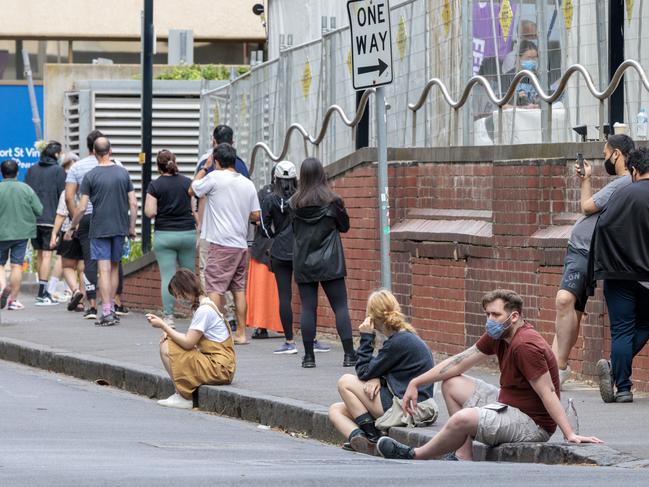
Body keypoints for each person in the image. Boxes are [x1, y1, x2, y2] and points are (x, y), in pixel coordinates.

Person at [376, 290, 603, 461]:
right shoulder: (499, 334)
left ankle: (414, 455)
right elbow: (460, 362)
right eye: (488, 314)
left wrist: (569, 434)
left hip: (531, 424)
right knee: (451, 383)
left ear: (513, 316)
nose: (490, 320)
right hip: (508, 404)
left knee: (461, 419)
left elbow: (548, 391)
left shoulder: (525, 345)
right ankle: (462, 456)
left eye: (496, 314)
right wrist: (416, 382)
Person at [552, 134, 634, 388]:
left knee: (567, 302)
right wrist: (586, 179)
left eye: (605, 153)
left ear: (617, 154)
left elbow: (587, 206)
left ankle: (558, 367)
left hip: (588, 251)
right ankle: (556, 368)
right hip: (584, 248)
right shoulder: (623, 183)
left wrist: (586, 181)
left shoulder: (624, 182)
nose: (605, 159)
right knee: (569, 306)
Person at [329, 290, 435, 455]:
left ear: (372, 317)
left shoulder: (398, 342)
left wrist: (366, 338)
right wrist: (377, 377)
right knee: (336, 410)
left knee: (345, 382)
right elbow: (384, 369)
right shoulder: (404, 337)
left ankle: (373, 437)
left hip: (408, 408)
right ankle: (361, 438)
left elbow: (363, 371)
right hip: (404, 402)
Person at [589, 147, 649, 404]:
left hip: (617, 273)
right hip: (647, 276)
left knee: (621, 330)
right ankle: (615, 368)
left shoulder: (621, 193)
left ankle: (623, 388)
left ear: (634, 170)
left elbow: (601, 228)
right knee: (645, 325)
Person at [190, 143, 261, 344]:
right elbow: (256, 214)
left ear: (217, 161)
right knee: (238, 290)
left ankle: (216, 334)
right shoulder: (247, 183)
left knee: (214, 288)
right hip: (240, 244)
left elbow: (194, 188)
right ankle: (241, 333)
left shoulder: (214, 177)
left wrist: (205, 167)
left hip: (221, 244)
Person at [291, 157, 356, 368]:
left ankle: (309, 357)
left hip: (304, 261)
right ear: (322, 174)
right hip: (331, 262)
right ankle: (348, 355)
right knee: (340, 307)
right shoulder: (333, 201)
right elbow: (344, 227)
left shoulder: (294, 203)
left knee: (308, 308)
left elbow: (292, 230)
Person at [67, 137, 137, 326]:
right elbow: (133, 202)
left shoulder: (90, 176)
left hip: (99, 227)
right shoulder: (123, 173)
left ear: (94, 153)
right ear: (110, 151)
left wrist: (72, 227)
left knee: (103, 270)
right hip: (119, 226)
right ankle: (113, 307)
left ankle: (106, 311)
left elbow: (81, 208)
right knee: (115, 267)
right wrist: (131, 227)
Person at [146, 269, 236, 409]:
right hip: (218, 364)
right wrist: (169, 334)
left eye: (180, 294)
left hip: (219, 368)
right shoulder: (203, 306)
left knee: (167, 348)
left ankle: (184, 395)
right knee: (168, 342)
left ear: (188, 288)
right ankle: (181, 392)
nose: (179, 299)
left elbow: (188, 343)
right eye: (176, 296)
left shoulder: (204, 310)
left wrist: (164, 326)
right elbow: (191, 338)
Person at [195, 125, 250, 331]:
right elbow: (252, 210)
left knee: (210, 278)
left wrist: (199, 223)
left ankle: (216, 320)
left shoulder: (209, 167)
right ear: (233, 142)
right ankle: (238, 326)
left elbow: (194, 191)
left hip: (214, 234)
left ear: (213, 141)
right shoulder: (242, 167)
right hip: (239, 236)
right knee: (237, 285)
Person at [144, 150, 197, 327]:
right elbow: (193, 208)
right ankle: (196, 313)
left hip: (165, 235)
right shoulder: (187, 183)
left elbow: (150, 212)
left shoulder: (155, 185)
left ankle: (168, 316)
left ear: (158, 166)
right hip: (187, 233)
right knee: (189, 274)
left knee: (168, 276)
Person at [24, 140, 66, 306]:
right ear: (56, 155)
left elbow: (27, 193)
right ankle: (43, 292)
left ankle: (42, 289)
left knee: (41, 254)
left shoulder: (31, 170)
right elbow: (63, 195)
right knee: (48, 254)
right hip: (50, 218)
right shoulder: (58, 171)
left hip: (33, 219)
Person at [246, 165, 283, 340]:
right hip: (285, 247)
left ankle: (261, 326)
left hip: (263, 247)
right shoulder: (295, 193)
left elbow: (256, 218)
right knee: (281, 289)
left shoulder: (264, 193)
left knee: (261, 290)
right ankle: (283, 325)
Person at [0, 160, 43, 311]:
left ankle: (2, 288)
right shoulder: (26, 189)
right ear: (17, 173)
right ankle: (13, 300)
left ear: (2, 172)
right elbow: (39, 210)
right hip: (22, 233)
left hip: (1, 232)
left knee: (0, 264)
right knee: (16, 265)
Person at [49, 152, 86, 313]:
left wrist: (54, 234)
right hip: (87, 230)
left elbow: (60, 214)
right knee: (83, 268)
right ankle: (82, 302)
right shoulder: (89, 190)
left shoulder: (67, 193)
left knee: (67, 266)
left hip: (69, 232)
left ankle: (75, 291)